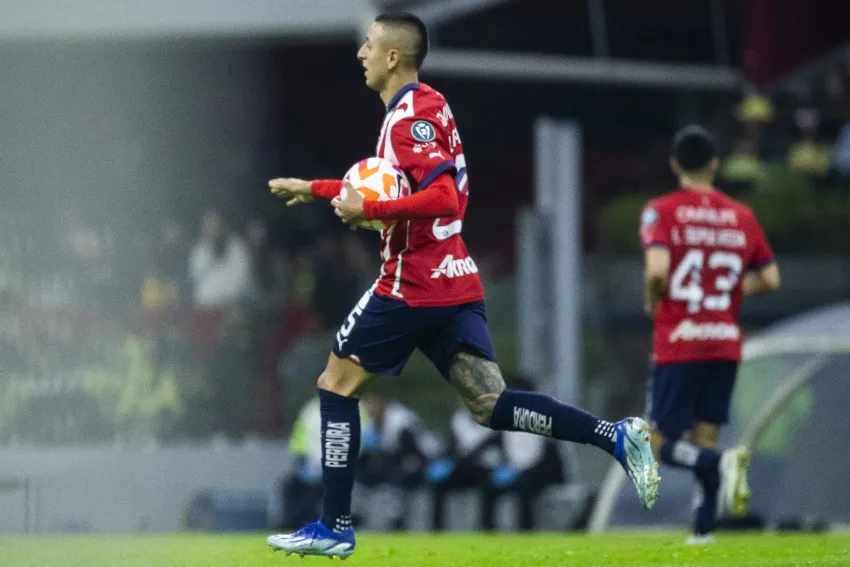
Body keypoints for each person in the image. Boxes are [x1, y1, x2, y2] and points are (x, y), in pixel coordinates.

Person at [266, 13, 659, 559]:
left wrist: (373, 208)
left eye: (370, 45)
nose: (360, 52)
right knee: (490, 405)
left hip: (412, 282)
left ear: (393, 58)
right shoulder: (426, 106)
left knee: (335, 384)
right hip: (453, 278)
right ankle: (616, 436)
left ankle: (334, 526)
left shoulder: (410, 120)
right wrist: (315, 188)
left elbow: (442, 196)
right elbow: (384, 183)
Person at [640, 125, 781, 544]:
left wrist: (653, 300)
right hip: (723, 339)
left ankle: (713, 466)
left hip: (680, 339)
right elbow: (771, 277)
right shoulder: (741, 215)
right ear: (715, 165)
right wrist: (731, 288)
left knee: (656, 441)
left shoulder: (661, 210)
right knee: (707, 433)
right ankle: (703, 531)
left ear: (674, 164)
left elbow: (658, 271)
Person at [356, 391, 437, 531]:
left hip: (420, 458)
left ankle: (396, 522)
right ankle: (356, 519)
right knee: (359, 478)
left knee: (396, 480)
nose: (370, 409)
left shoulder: (400, 421)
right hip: (393, 458)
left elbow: (414, 450)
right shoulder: (367, 421)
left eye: (373, 404)